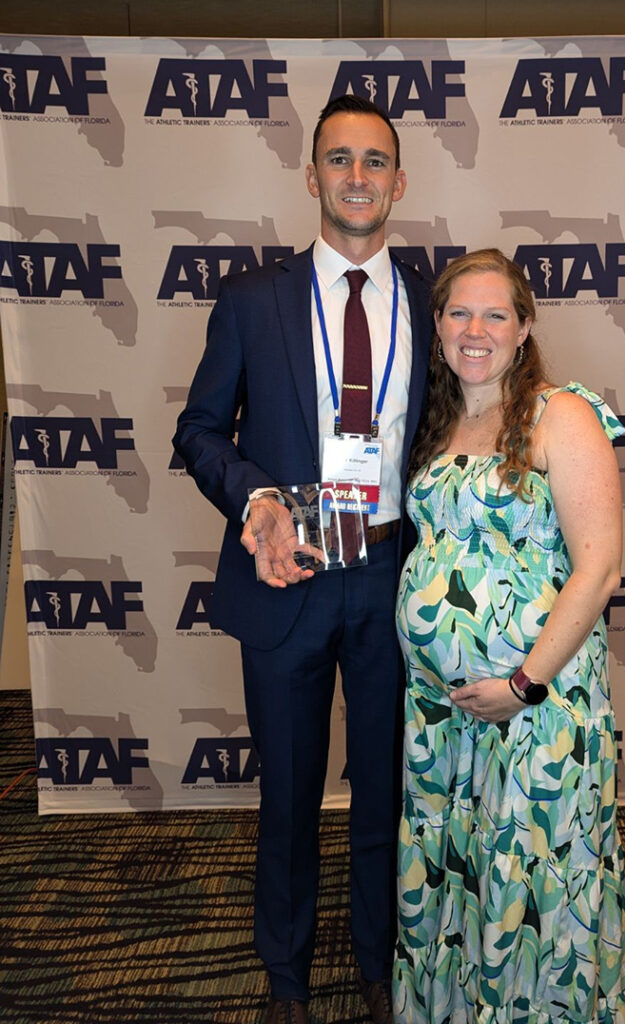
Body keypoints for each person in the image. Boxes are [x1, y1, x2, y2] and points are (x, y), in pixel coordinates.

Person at [173, 95, 431, 1024]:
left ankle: (375, 965)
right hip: (288, 576)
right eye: (338, 159)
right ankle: (285, 978)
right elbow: (198, 430)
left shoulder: (432, 300)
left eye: (374, 161)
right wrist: (257, 497)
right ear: (312, 175)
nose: (356, 176)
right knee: (286, 796)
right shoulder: (252, 299)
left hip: (393, 582)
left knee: (384, 794)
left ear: (399, 182)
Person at [393, 249, 625, 1023]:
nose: (476, 329)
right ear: (436, 329)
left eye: (496, 313)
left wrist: (523, 684)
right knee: (464, 877)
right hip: (446, 719)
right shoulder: (439, 420)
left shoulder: (559, 415)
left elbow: (597, 569)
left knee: (533, 886)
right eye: (458, 313)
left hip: (537, 709)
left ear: (525, 327)